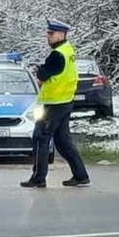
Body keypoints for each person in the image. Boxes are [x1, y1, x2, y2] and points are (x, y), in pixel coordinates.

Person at [21, 19, 91, 188]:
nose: (48, 36)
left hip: (54, 103)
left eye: (51, 34)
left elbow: (44, 75)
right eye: (48, 33)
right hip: (65, 101)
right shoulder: (68, 50)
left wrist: (40, 70)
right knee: (63, 141)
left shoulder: (57, 54)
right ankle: (80, 175)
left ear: (61, 34)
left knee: (40, 137)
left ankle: (38, 177)